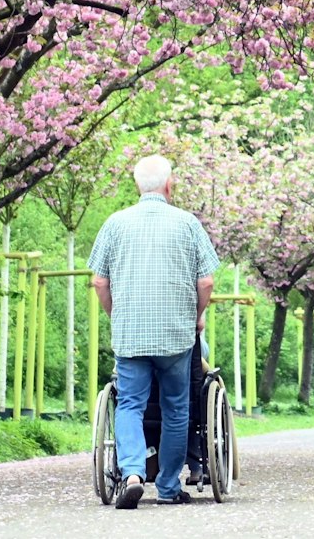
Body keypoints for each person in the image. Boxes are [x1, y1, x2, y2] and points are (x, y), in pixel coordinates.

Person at [89, 155, 219, 510]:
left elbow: (99, 281)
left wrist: (117, 314)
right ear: (169, 185)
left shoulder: (115, 224)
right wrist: (197, 316)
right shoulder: (187, 223)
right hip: (177, 335)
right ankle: (166, 487)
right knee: (177, 408)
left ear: (137, 186)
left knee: (129, 404)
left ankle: (132, 474)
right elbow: (206, 281)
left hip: (131, 334)